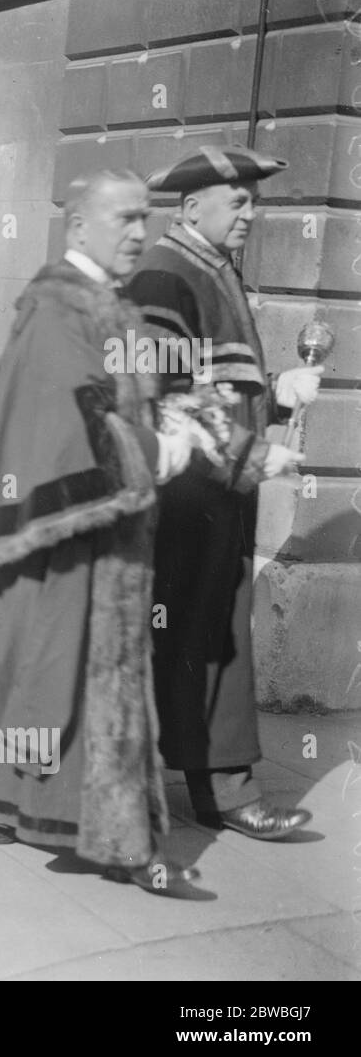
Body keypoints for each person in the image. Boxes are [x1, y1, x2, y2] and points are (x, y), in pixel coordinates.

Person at [0, 170, 210, 899]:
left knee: (42, 662)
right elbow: (73, 423)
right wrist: (159, 453)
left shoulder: (100, 304)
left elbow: (112, 401)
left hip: (65, 516)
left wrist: (167, 419)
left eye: (146, 218)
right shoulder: (58, 310)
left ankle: (70, 814)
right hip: (43, 515)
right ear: (79, 226)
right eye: (125, 218)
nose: (140, 232)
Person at [125, 146, 323, 841]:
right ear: (190, 208)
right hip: (181, 496)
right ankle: (219, 789)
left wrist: (272, 397)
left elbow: (216, 388)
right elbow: (165, 401)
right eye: (237, 201)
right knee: (188, 638)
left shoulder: (209, 268)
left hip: (218, 492)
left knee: (203, 635)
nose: (250, 213)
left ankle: (212, 784)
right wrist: (249, 449)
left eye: (250, 201)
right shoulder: (164, 275)